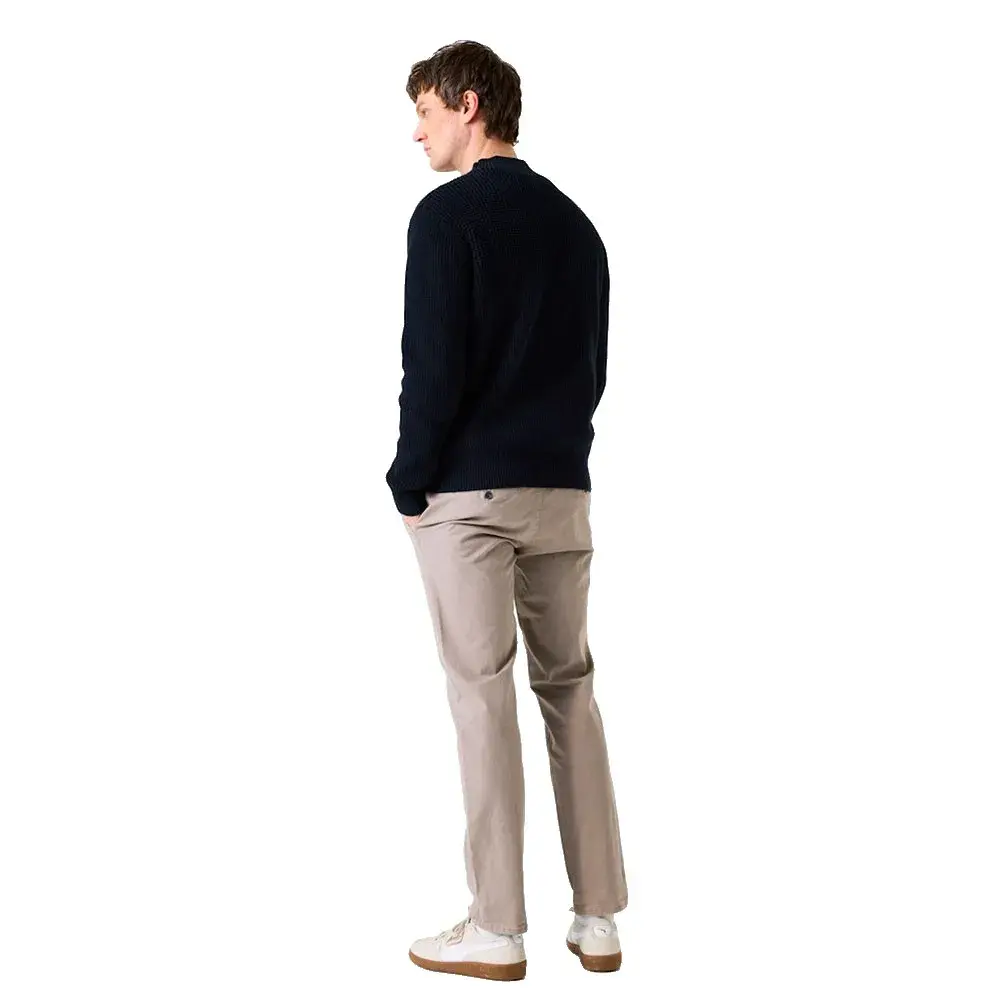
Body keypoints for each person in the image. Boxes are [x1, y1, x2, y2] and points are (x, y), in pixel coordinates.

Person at [386, 40, 628, 981]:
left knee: (483, 698)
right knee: (571, 691)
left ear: (469, 104)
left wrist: (409, 482)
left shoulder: (446, 218)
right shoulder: (579, 228)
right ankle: (598, 919)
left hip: (469, 500)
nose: (417, 132)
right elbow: (593, 368)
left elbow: (432, 366)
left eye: (425, 111)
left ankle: (497, 927)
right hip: (563, 492)